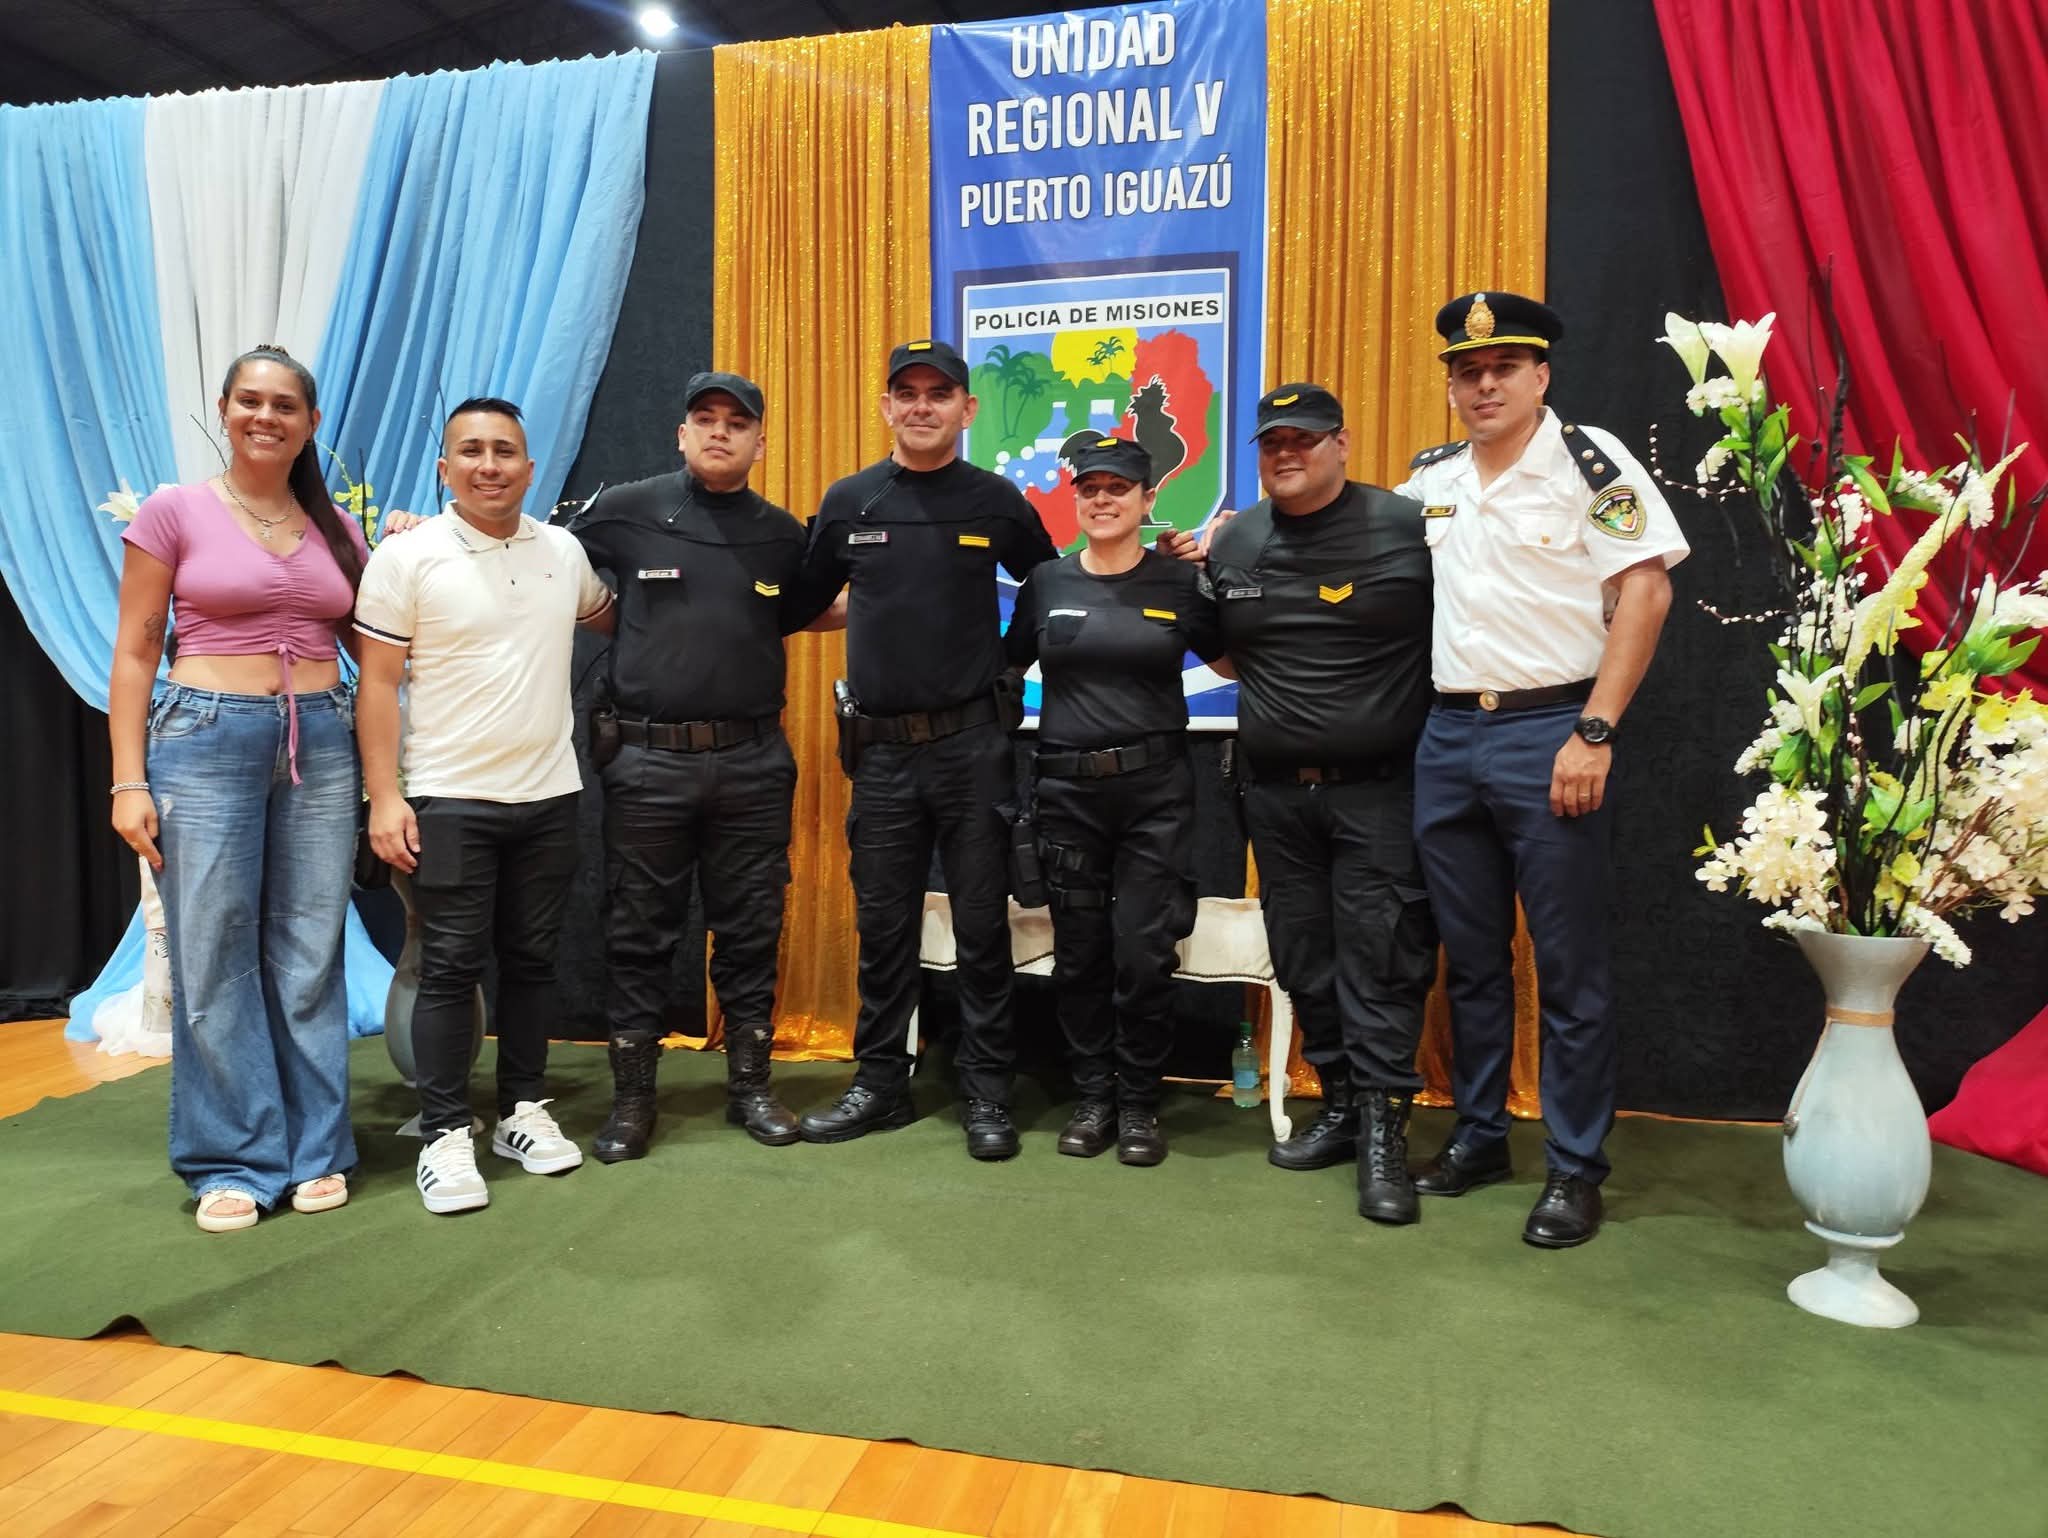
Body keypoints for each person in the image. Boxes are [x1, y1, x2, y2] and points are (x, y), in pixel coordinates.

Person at [1394, 292, 1687, 1248]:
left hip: (1551, 730)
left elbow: (1646, 590)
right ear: (1451, 386)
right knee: (1471, 962)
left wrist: (1594, 732)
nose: (1484, 385)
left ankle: (1573, 1167)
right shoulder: (1430, 479)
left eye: (1503, 369)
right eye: (1467, 372)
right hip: (1447, 737)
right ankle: (1479, 1136)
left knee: (1568, 970)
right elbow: (1352, 555)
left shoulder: (1590, 462)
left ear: (1541, 375)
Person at [108, 345, 367, 1233]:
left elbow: (382, 648)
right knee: (214, 950)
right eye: (249, 400)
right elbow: (136, 651)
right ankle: (233, 1159)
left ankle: (316, 1149)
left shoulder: (337, 527)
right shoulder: (174, 512)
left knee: (310, 948)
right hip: (203, 739)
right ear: (223, 409)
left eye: (285, 405)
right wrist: (127, 779)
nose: (266, 416)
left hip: (321, 740)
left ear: (311, 422)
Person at [788, 339, 1059, 1159]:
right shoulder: (851, 501)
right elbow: (799, 601)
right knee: (884, 926)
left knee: (980, 927)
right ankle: (880, 1085)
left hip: (973, 749)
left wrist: (1008, 665)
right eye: (905, 393)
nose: (921, 406)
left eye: (939, 394)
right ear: (886, 407)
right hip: (881, 755)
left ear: (966, 410)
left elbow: (1052, 586)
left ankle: (987, 1092)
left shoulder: (996, 501)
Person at [355, 397, 616, 1215]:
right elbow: (377, 686)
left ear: (530, 469)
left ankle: (522, 1111)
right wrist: (386, 796)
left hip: (550, 795)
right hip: (448, 796)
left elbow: (618, 615)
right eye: (471, 451)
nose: (489, 465)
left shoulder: (564, 552)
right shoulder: (406, 556)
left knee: (533, 964)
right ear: (445, 468)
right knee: (448, 966)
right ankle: (443, 1133)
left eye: (505, 451)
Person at [561, 371, 830, 1160]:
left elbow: (810, 609)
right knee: (637, 932)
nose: (719, 432)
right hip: (648, 762)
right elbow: (535, 557)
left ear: (760, 443)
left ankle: (751, 1088)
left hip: (753, 763)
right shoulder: (626, 510)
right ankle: (633, 1101)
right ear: (681, 433)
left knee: (751, 929)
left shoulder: (783, 535)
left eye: (736, 423)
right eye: (705, 419)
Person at [1204, 384, 1438, 1225]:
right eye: (1273, 442)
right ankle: (1339, 1106)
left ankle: (1384, 1135)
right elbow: (1228, 655)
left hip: (1380, 791)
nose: (1286, 454)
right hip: (1275, 797)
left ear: (1342, 442)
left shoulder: (1408, 527)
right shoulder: (1239, 540)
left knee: (1383, 960)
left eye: (1303, 439)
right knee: (1305, 960)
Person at [1002, 436, 1225, 1166]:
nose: (1102, 500)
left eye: (1118, 489)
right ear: (1075, 499)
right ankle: (1093, 1096)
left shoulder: (1180, 582)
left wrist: (1214, 573)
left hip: (1155, 795)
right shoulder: (1045, 582)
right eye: (1090, 488)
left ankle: (1138, 1103)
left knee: (1143, 954)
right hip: (1067, 793)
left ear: (1148, 499)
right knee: (1080, 955)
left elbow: (1233, 662)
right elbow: (1005, 669)